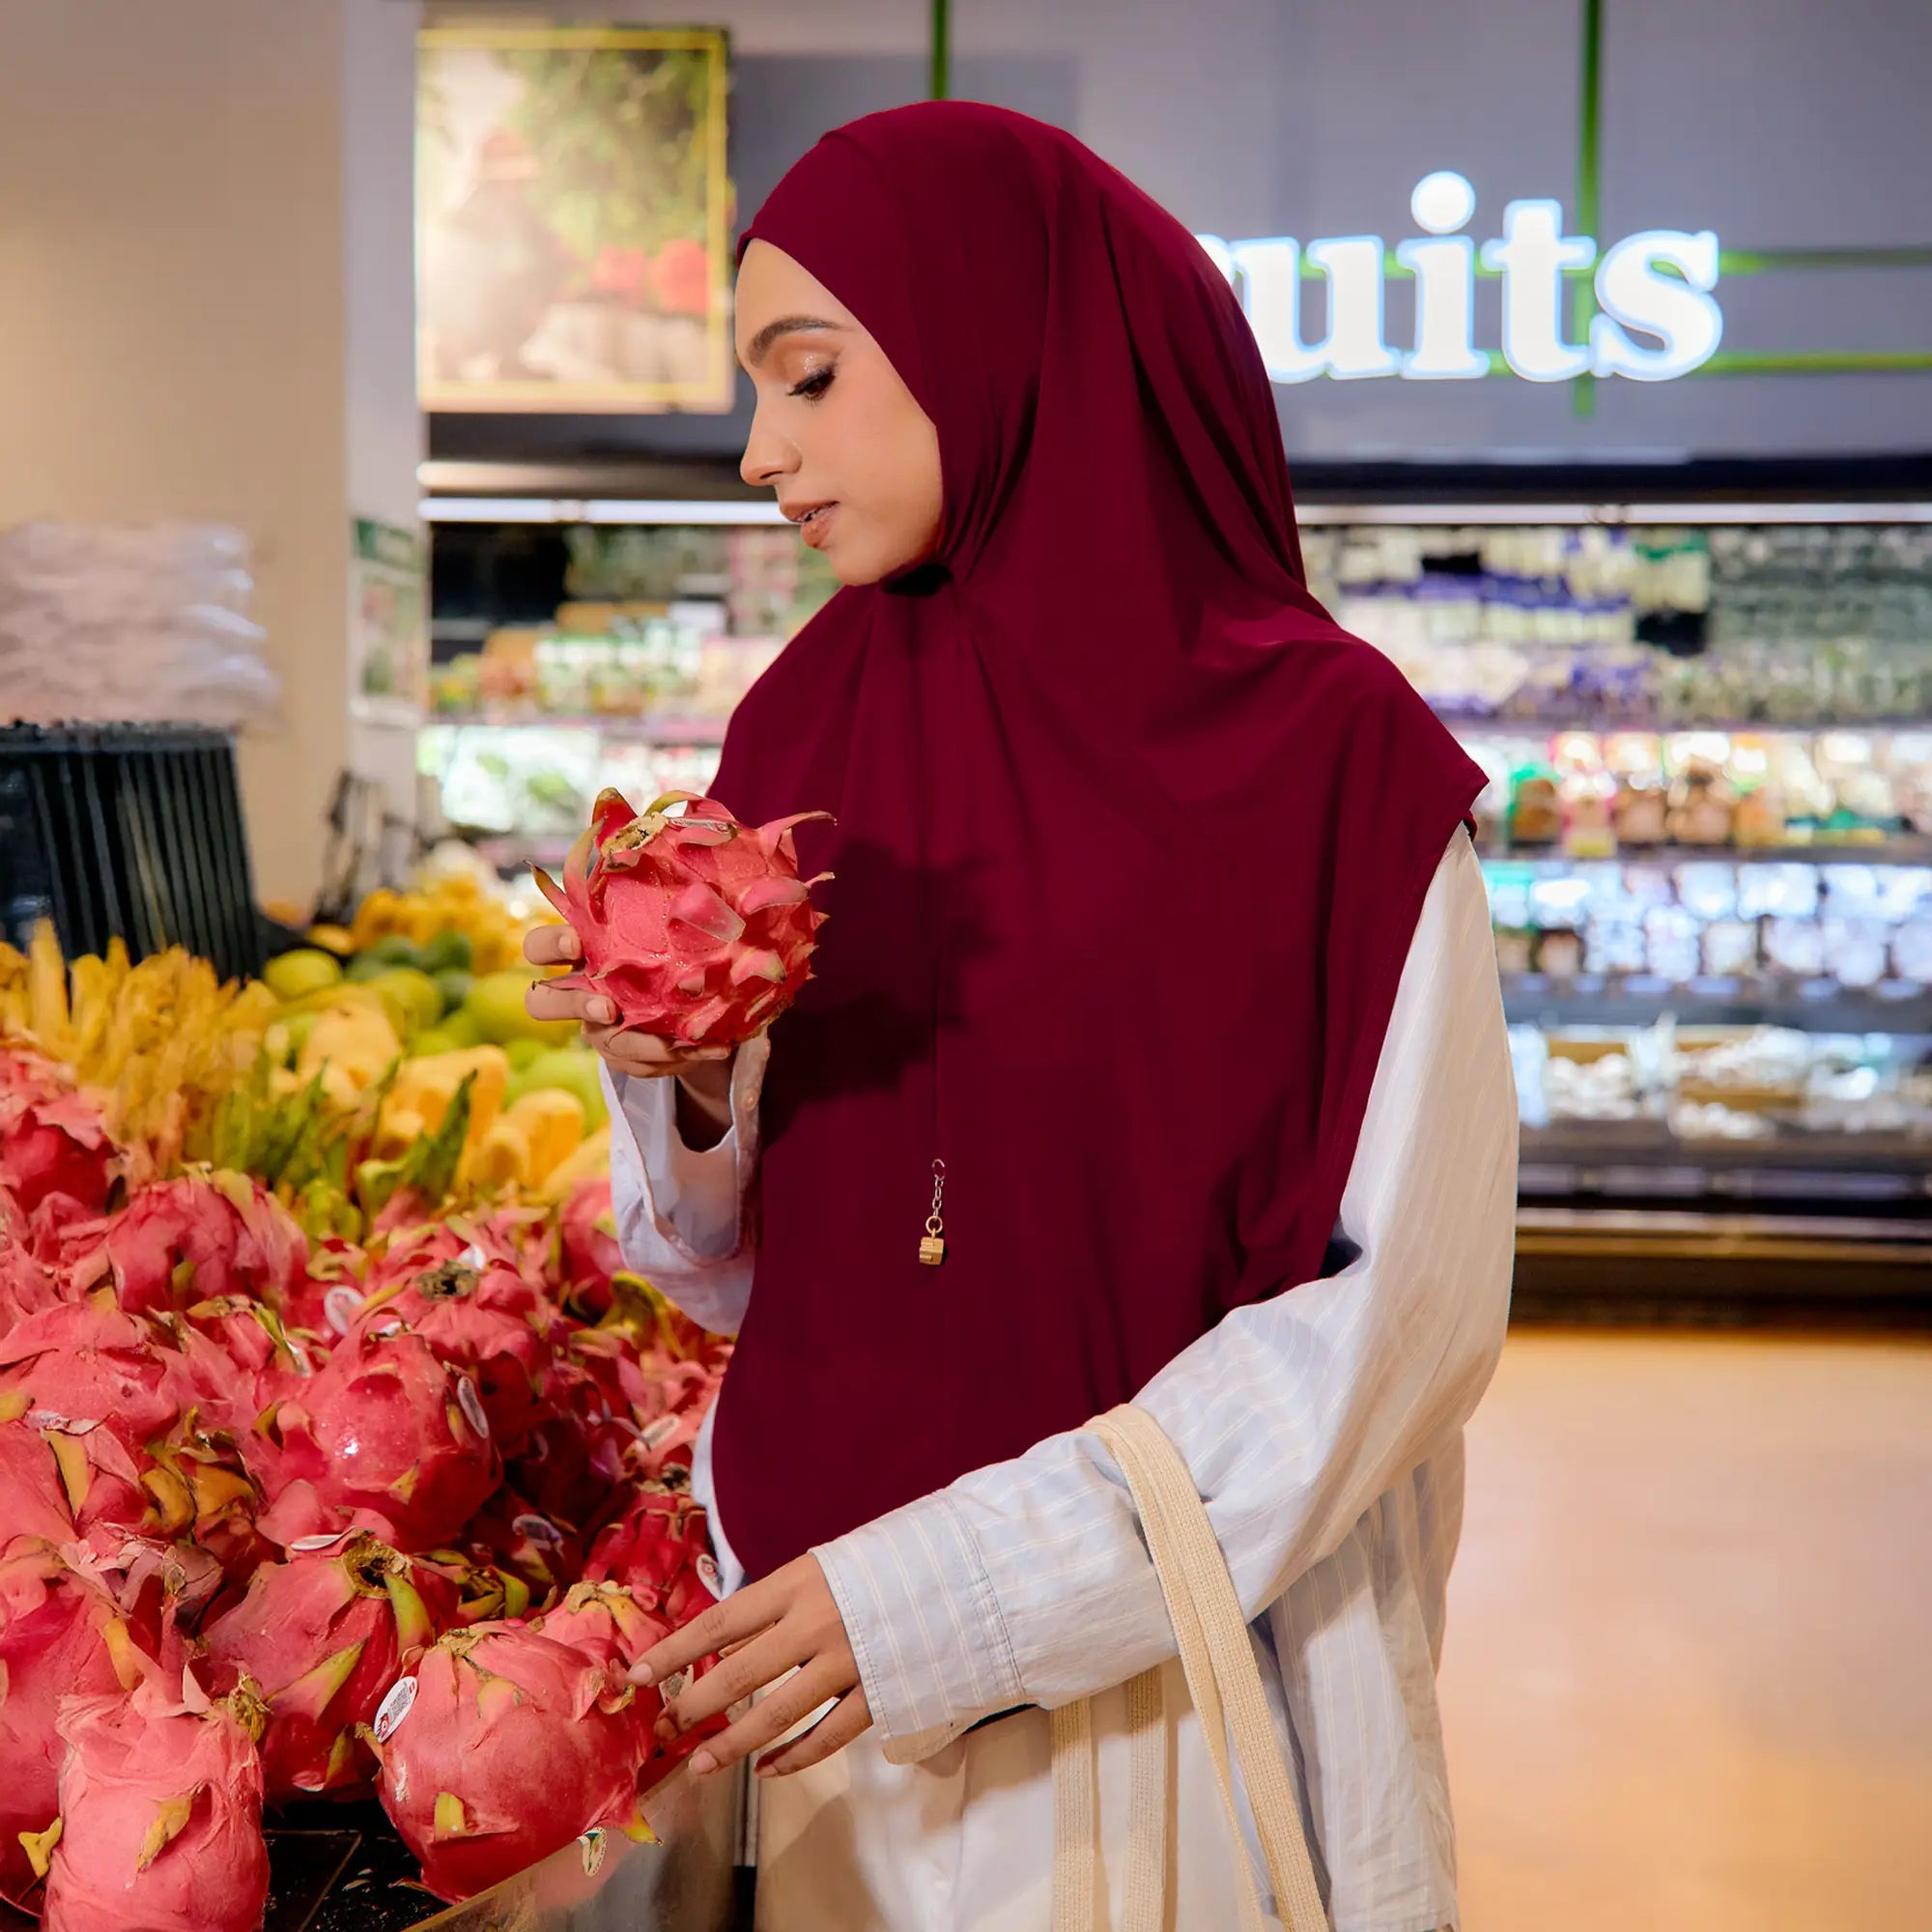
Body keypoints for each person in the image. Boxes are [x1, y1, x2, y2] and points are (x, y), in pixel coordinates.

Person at [526, 101, 1517, 1932]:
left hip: (1173, 1705)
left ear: (992, 336)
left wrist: (952, 1592)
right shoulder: (795, 734)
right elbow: (751, 1275)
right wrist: (685, 1082)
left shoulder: (1330, 770)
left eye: (809, 375)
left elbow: (1406, 1318)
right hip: (815, 1701)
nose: (758, 451)